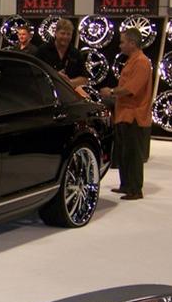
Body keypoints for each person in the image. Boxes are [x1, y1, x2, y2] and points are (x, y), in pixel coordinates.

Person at [100, 27, 152, 201]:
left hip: (134, 115)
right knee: (124, 152)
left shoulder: (142, 62)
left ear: (132, 43)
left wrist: (111, 92)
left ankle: (135, 189)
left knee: (133, 154)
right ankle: (126, 184)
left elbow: (131, 89)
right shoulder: (131, 61)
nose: (120, 45)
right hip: (123, 114)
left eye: (122, 42)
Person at [37, 18, 88, 87]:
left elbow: (84, 79)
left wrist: (69, 82)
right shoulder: (43, 50)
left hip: (69, 94)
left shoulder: (76, 53)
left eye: (68, 34)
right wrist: (55, 77)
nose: (65, 37)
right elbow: (35, 74)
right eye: (62, 33)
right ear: (56, 33)